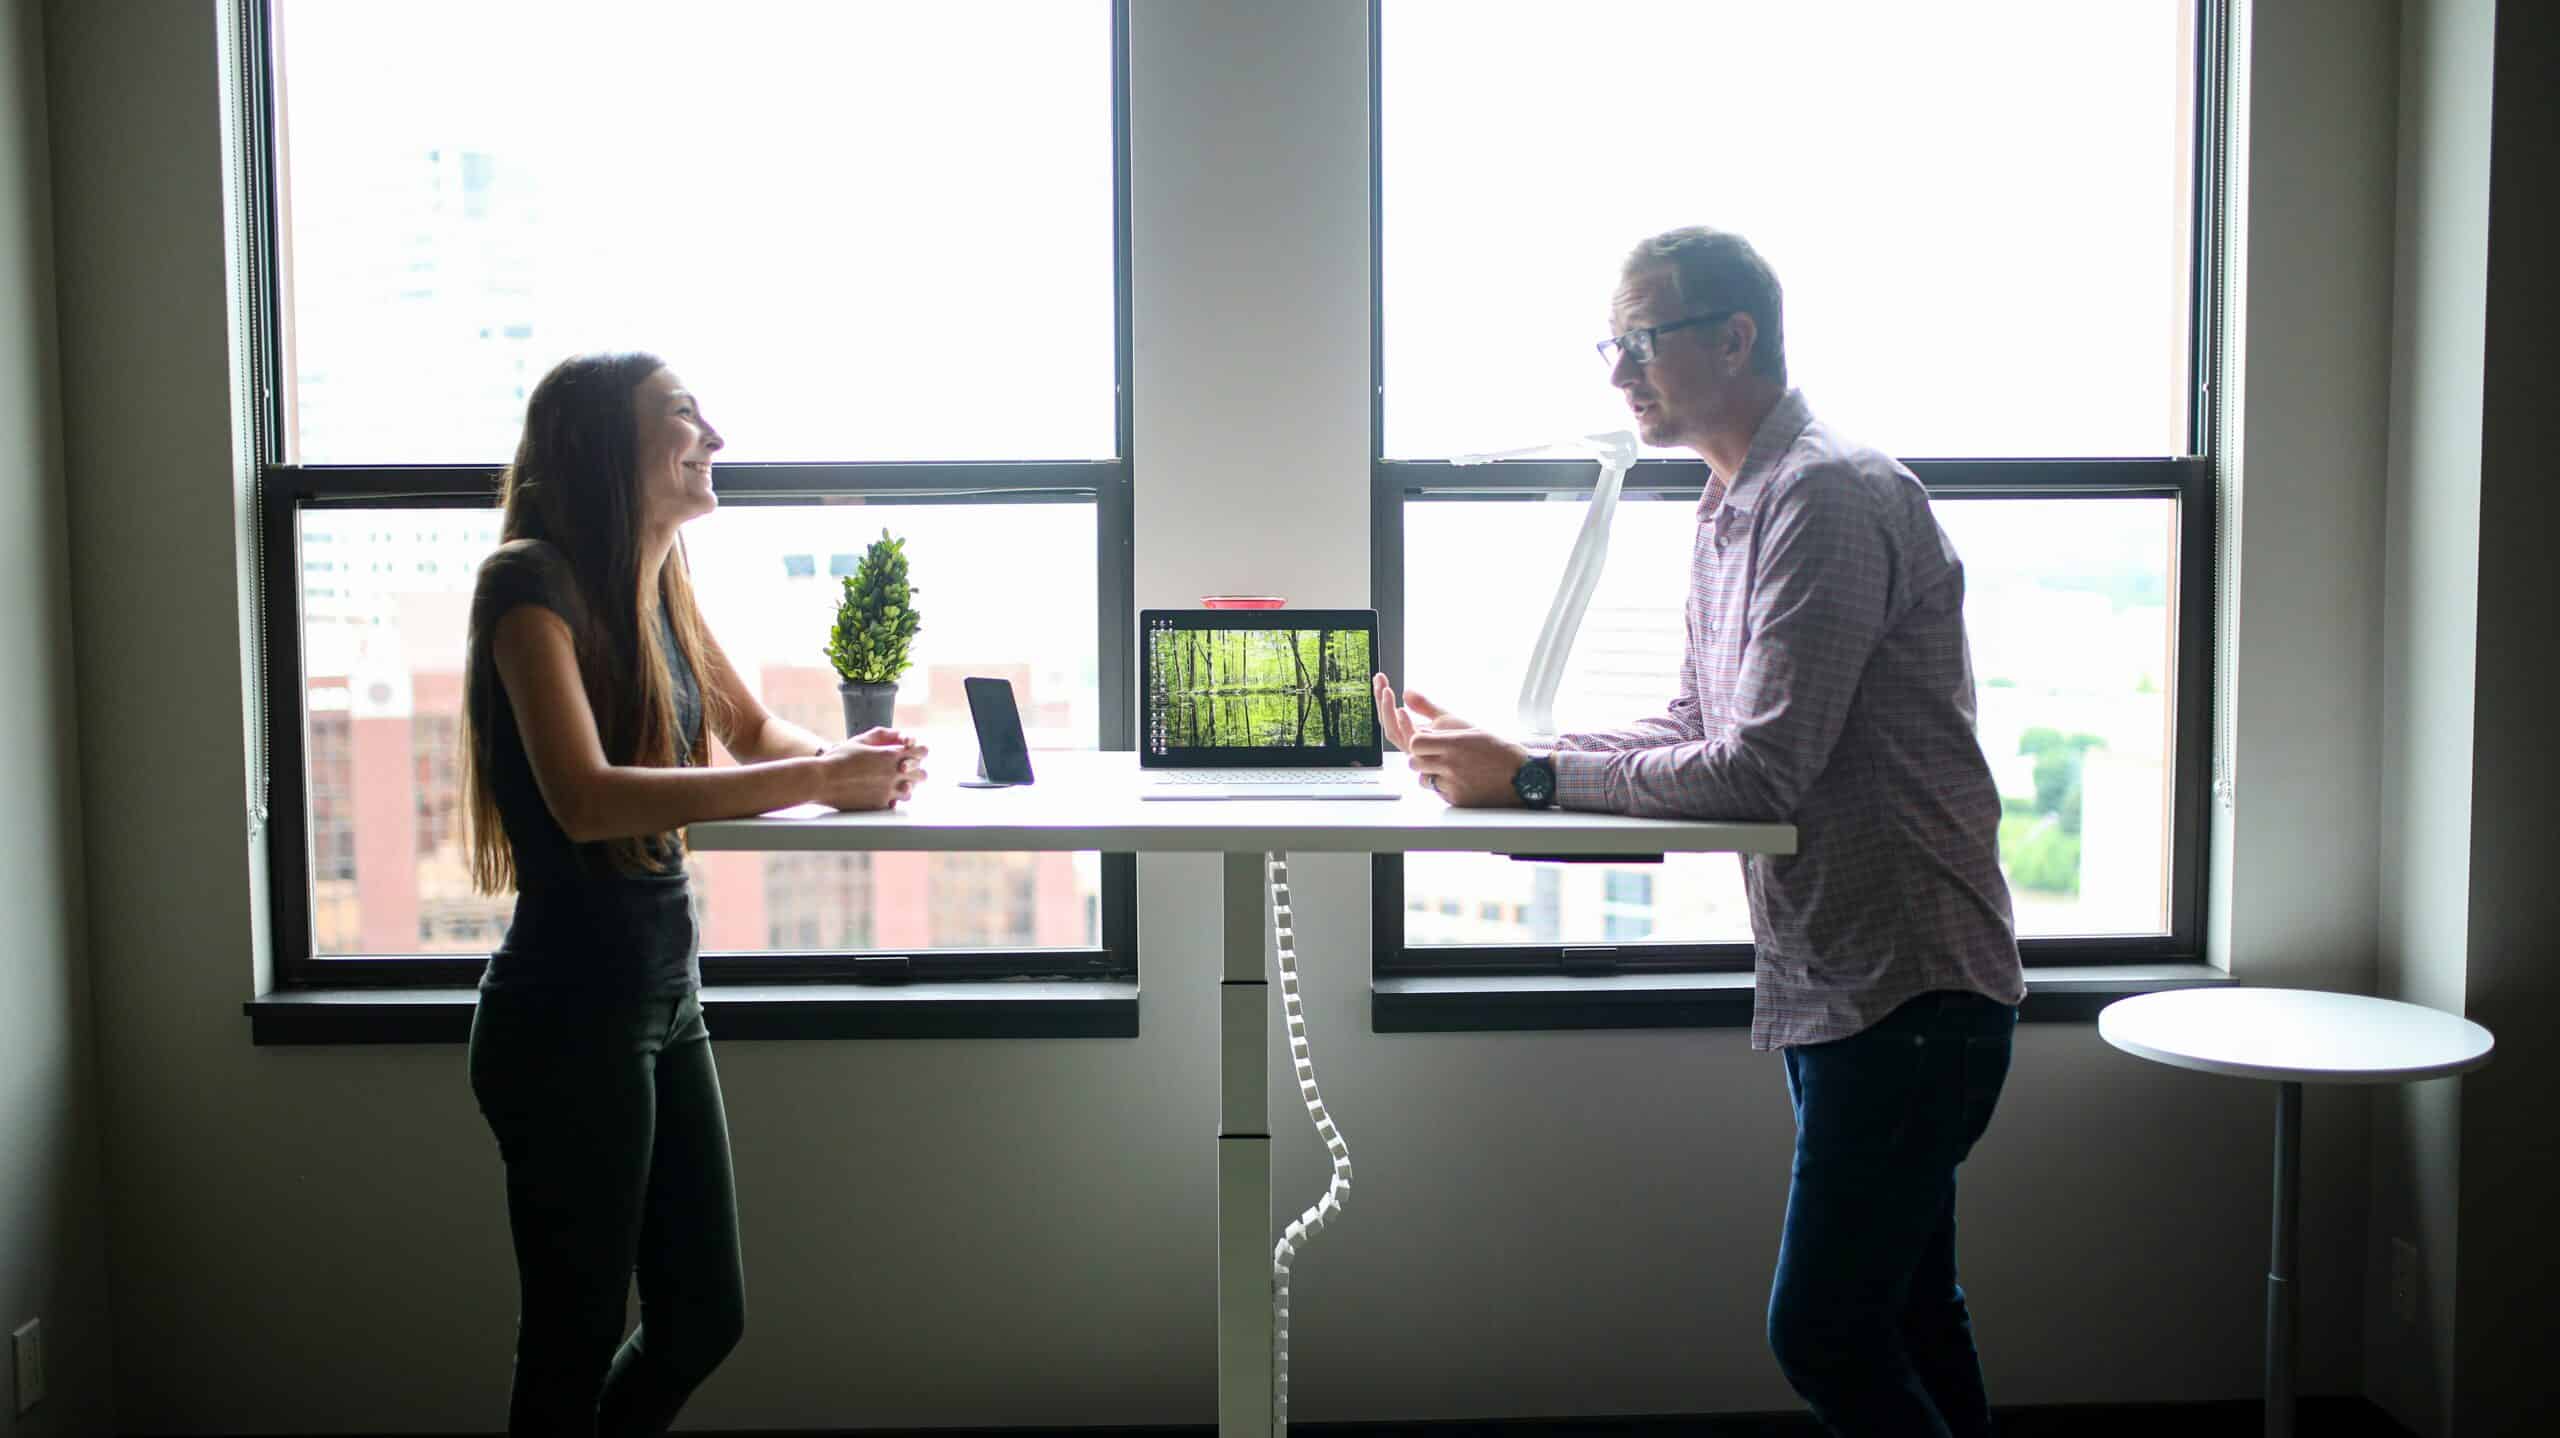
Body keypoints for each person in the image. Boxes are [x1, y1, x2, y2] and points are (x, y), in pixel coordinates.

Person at [1374, 228, 2025, 1436]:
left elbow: (1761, 770)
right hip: (1852, 978)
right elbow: (1692, 720)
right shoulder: (1734, 504)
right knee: (1908, 1309)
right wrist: (1512, 756)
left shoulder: (1825, 495)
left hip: (1910, 987)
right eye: (1609, 345)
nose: (1618, 371)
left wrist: (1530, 784)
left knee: (1825, 1329)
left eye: (1641, 340)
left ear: (1734, 337)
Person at [459, 351, 927, 1434]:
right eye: (682, 415)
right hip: (566, 1014)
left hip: (665, 999)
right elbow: (582, 797)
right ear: (604, 448)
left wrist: (865, 763)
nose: (712, 435)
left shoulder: (663, 583)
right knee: (570, 1342)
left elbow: (758, 733)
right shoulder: (529, 583)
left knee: (702, 1317)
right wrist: (818, 776)